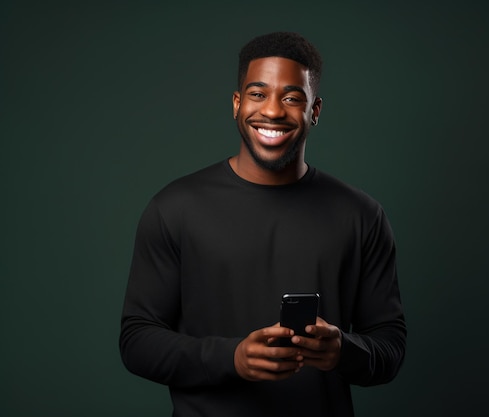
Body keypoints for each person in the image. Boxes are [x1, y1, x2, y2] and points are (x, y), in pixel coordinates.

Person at [119, 31, 406, 417]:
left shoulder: (362, 216)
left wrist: (342, 350)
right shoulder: (174, 208)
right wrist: (232, 358)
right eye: (257, 94)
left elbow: (390, 347)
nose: (272, 111)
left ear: (315, 111)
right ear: (237, 104)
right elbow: (137, 342)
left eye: (291, 98)